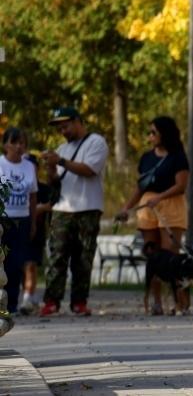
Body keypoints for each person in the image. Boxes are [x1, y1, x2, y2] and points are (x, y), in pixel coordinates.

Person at [115, 116, 190, 315]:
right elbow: (140, 187)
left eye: (153, 132)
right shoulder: (146, 158)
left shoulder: (178, 157)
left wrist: (160, 197)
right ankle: (156, 302)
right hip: (147, 207)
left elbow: (181, 185)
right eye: (149, 133)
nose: (150, 137)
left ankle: (178, 301)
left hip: (171, 206)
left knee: (170, 257)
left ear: (164, 134)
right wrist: (126, 208)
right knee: (153, 256)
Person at [39, 107, 109, 317]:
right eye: (60, 128)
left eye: (66, 126)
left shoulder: (96, 142)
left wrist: (60, 161)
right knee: (57, 256)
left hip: (88, 207)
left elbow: (89, 170)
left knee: (83, 257)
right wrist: (51, 167)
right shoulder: (63, 148)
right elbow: (55, 181)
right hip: (63, 207)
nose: (63, 131)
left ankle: (79, 301)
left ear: (78, 121)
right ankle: (52, 301)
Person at [0, 128, 38, 315]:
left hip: (21, 219)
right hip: (3, 219)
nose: (19, 146)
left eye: (22, 142)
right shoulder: (0, 164)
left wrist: (33, 222)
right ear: (5, 144)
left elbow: (32, 196)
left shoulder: (29, 166)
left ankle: (12, 304)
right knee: (2, 263)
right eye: (15, 142)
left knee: (16, 264)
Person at [19, 151, 53, 315]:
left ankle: (27, 298)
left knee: (30, 265)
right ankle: (26, 296)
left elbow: (50, 208)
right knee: (16, 268)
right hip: (16, 233)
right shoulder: (13, 187)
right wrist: (40, 208)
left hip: (36, 233)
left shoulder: (45, 189)